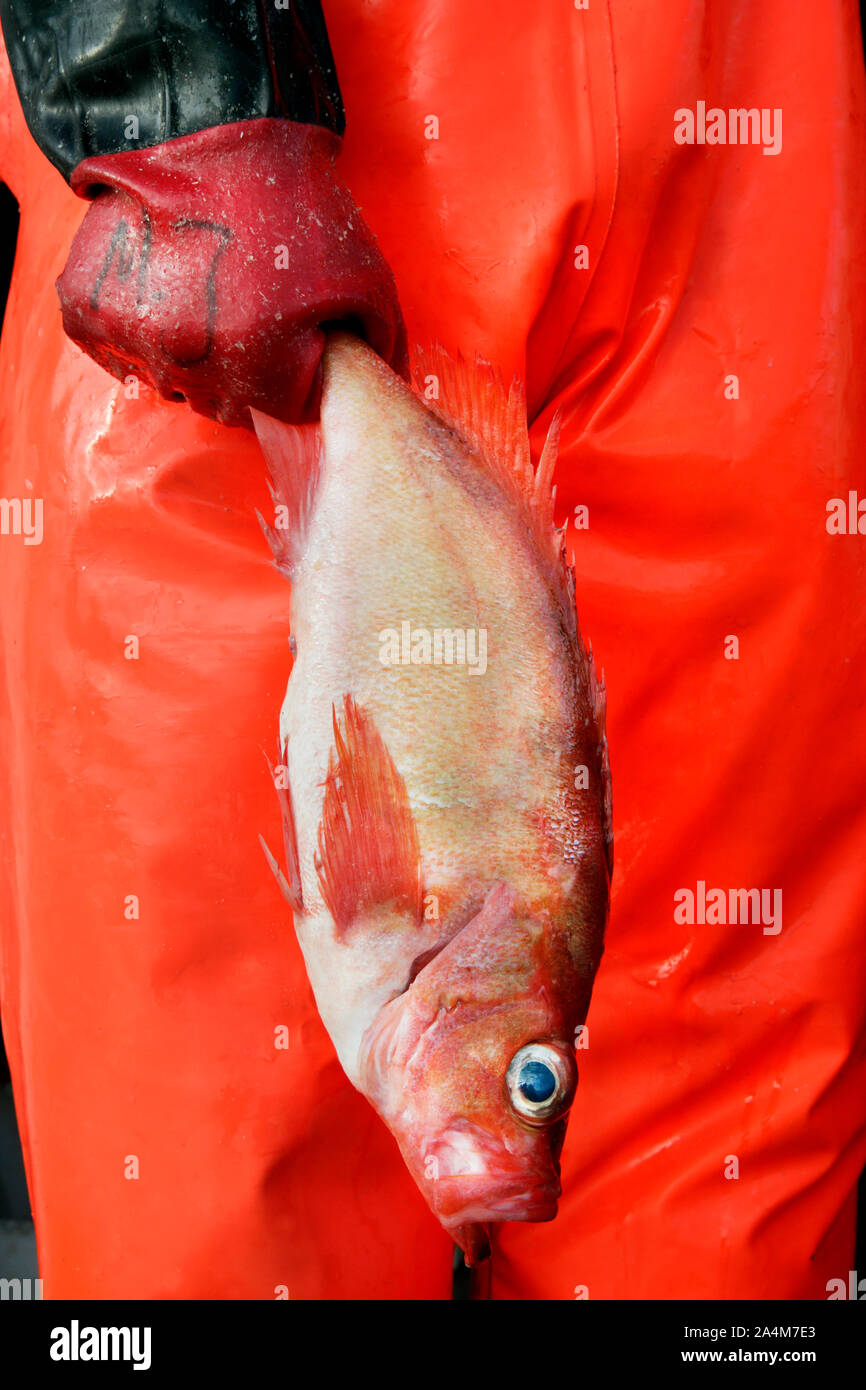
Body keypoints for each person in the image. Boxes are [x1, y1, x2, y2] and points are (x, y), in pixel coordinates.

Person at [0, 0, 864, 1300]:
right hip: (276, 164)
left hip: (745, 217)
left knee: (721, 1163)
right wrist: (166, 90)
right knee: (212, 1171)